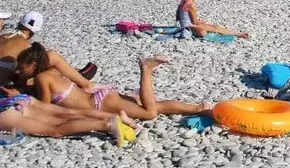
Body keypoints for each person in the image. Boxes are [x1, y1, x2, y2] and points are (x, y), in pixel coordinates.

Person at [16, 46, 208, 121]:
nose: (19, 70)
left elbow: (45, 106)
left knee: (149, 113)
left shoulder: (43, 78)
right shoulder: (53, 72)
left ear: (34, 65)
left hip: (100, 104)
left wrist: (22, 99)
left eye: (22, 67)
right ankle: (198, 108)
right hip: (102, 97)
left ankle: (146, 70)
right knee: (151, 105)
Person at [0, 12, 98, 87]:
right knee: (52, 56)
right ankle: (84, 82)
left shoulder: (4, 36)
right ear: (34, 32)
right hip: (3, 79)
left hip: (5, 74)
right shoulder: (25, 44)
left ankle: (76, 72)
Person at [0, 92, 136, 144]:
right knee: (70, 113)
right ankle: (116, 117)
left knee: (55, 129)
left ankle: (106, 125)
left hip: (5, 114)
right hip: (16, 100)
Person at [177, 0, 249, 39]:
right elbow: (195, 22)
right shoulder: (190, 4)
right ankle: (238, 34)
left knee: (212, 28)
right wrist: (202, 22)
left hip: (185, 25)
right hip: (189, 26)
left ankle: (237, 34)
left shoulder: (184, 0)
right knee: (211, 29)